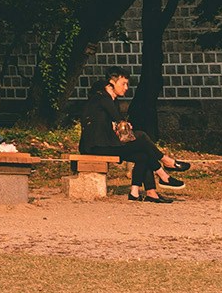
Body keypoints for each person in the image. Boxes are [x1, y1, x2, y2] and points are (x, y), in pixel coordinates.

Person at [79, 71, 187, 202]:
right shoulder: (102, 98)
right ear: (112, 83)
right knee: (141, 136)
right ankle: (165, 166)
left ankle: (141, 193)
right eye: (123, 83)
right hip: (97, 147)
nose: (126, 88)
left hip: (106, 144)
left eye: (127, 84)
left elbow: (117, 126)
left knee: (143, 155)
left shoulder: (110, 100)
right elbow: (119, 120)